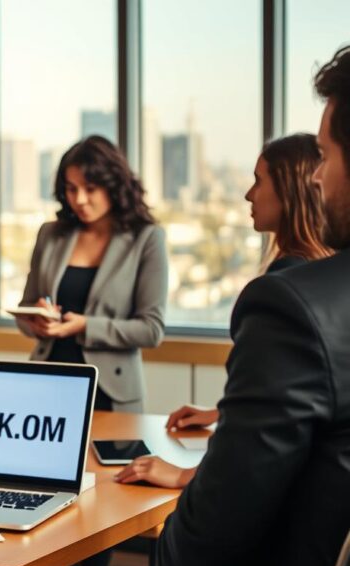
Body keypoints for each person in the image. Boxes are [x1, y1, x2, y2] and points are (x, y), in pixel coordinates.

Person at [155, 45, 350, 566]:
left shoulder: (293, 305)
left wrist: (169, 564)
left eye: (326, 156)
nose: (318, 177)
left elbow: (220, 517)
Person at [115, 132, 332, 489]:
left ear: (288, 191)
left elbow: (262, 430)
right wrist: (222, 412)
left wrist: (184, 475)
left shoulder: (283, 289)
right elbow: (302, 397)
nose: (249, 194)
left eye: (259, 181)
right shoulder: (326, 274)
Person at [16, 135, 166, 566]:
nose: (79, 199)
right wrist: (37, 320)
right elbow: (29, 305)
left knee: (103, 503)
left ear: (113, 184)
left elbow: (152, 329)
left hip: (110, 393)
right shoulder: (51, 234)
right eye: (70, 188)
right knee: (37, 493)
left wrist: (84, 326)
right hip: (48, 386)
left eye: (89, 188)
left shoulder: (145, 238)